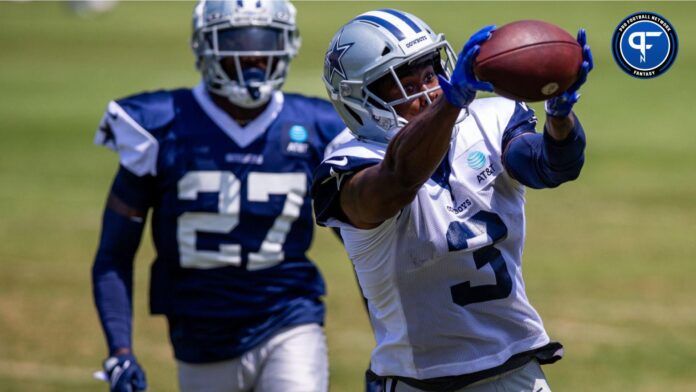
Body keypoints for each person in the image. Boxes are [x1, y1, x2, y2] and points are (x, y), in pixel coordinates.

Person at [312, 9, 593, 392]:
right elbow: (398, 180)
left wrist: (560, 118)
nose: (428, 93)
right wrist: (451, 103)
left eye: (430, 76)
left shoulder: (488, 120)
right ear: (361, 99)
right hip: (417, 379)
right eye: (404, 85)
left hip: (515, 366)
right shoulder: (346, 162)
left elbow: (550, 166)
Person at [90, 1, 349, 391]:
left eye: (266, 42)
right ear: (205, 47)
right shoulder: (161, 125)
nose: (255, 56)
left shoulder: (317, 127)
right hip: (200, 335)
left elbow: (366, 244)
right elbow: (114, 254)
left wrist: (390, 342)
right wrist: (120, 350)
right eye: (238, 42)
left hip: (290, 318)